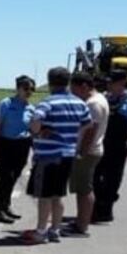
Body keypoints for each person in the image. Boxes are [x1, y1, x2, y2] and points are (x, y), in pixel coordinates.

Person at [21, 67, 92, 244]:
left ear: (50, 82)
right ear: (67, 81)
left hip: (48, 155)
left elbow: (35, 122)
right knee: (58, 195)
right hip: (68, 154)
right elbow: (87, 123)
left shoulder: (48, 102)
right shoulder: (79, 103)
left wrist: (37, 132)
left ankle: (41, 231)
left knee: (44, 195)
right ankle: (55, 229)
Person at [64, 71, 109, 236]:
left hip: (88, 151)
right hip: (90, 150)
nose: (73, 93)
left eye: (74, 89)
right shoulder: (96, 100)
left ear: (84, 86)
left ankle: (82, 226)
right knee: (82, 188)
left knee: (84, 189)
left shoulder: (93, 104)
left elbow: (91, 130)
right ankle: (79, 222)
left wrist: (81, 152)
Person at [0, 75, 35, 222]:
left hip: (23, 146)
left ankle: (6, 206)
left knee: (14, 177)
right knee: (5, 178)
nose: (29, 92)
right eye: (26, 88)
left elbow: (32, 130)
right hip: (6, 144)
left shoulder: (31, 108)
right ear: (18, 89)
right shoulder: (6, 104)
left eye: (32, 89)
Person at [92, 69, 127, 223]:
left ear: (122, 83)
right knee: (95, 177)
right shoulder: (103, 98)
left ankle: (105, 210)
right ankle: (97, 206)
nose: (108, 84)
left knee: (113, 180)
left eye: (112, 82)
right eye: (108, 81)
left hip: (118, 146)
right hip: (100, 144)